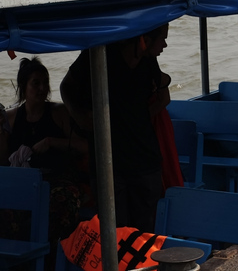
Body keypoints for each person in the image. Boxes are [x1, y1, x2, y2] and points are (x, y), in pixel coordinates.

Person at [60, 24, 174, 232]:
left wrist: (135, 119)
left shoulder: (149, 61)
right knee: (114, 232)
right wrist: (80, 116)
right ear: (144, 41)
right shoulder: (98, 54)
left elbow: (162, 96)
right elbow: (66, 86)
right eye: (162, 39)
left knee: (145, 234)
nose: (165, 45)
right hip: (108, 164)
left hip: (145, 161)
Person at [1, 57, 89, 268]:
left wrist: (52, 142)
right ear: (23, 87)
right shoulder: (11, 118)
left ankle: (52, 260)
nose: (42, 88)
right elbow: (3, 162)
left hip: (57, 180)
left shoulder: (58, 113)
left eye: (45, 82)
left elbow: (85, 146)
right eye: (36, 83)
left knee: (62, 203)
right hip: (24, 183)